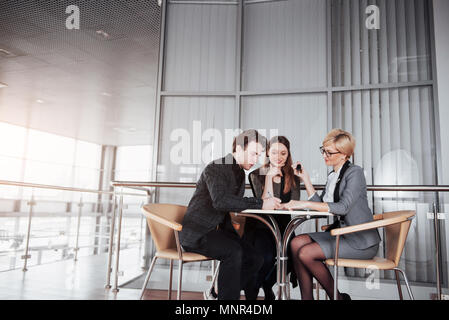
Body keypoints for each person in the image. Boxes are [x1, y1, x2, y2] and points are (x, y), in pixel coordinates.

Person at [179, 129, 282, 300]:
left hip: (217, 232)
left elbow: (232, 205)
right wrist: (260, 202)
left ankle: (218, 294)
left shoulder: (240, 172)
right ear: (239, 149)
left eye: (258, 155)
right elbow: (221, 201)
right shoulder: (217, 167)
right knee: (233, 252)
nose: (255, 160)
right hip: (198, 233)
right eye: (253, 154)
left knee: (256, 258)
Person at [283, 129, 381, 300]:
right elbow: (321, 204)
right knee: (295, 243)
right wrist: (305, 179)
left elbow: (342, 207)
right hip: (342, 235)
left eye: (329, 152)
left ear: (344, 155)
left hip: (360, 241)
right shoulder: (333, 175)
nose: (324, 155)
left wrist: (303, 203)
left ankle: (337, 297)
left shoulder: (355, 173)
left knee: (305, 253)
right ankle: (307, 298)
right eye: (323, 150)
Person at [245, 136, 301, 300]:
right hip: (263, 225)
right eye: (275, 152)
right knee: (267, 257)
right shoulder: (256, 174)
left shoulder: (293, 175)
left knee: (293, 258)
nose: (279, 157)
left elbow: (294, 203)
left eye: (283, 153)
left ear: (288, 154)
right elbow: (264, 203)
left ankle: (267, 284)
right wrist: (269, 176)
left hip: (285, 226)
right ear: (268, 153)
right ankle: (253, 291)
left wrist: (289, 204)